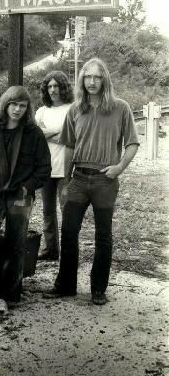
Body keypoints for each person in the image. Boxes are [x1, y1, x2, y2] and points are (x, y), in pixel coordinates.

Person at [44, 58, 139, 305]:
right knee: (68, 231)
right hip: (78, 178)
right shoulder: (76, 110)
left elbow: (131, 143)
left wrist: (119, 167)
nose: (92, 82)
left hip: (104, 181)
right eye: (88, 77)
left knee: (103, 236)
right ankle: (66, 286)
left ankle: (98, 289)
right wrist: (65, 182)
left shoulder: (121, 108)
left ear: (104, 79)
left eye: (97, 77)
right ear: (82, 81)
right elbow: (68, 147)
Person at [0, 86, 51, 315]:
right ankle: (16, 249)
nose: (17, 109)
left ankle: (5, 296)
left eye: (22, 105)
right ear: (5, 104)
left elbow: (44, 168)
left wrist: (28, 187)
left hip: (20, 195)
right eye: (13, 104)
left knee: (16, 237)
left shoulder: (33, 133)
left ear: (27, 109)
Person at [35, 71, 74, 260]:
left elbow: (75, 139)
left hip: (66, 168)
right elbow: (36, 137)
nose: (52, 90)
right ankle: (51, 250)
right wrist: (61, 133)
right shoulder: (41, 111)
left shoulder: (72, 109)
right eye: (49, 87)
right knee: (48, 212)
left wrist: (47, 132)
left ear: (63, 87)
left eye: (56, 86)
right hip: (46, 169)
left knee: (67, 211)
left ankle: (67, 250)